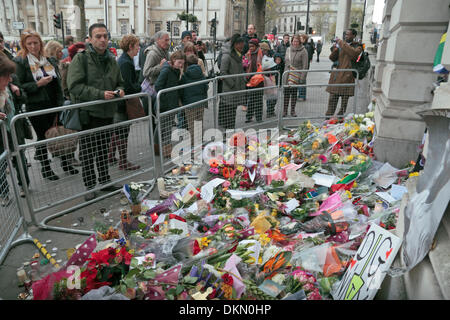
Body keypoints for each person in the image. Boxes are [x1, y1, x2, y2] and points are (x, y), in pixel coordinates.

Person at [67, 23, 125, 201]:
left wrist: (120, 90)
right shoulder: (81, 59)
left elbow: (119, 81)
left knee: (103, 150)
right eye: (98, 36)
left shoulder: (111, 58)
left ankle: (105, 181)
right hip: (88, 114)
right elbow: (74, 86)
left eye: (105, 36)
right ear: (90, 39)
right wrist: (100, 94)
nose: (102, 40)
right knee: (87, 152)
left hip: (107, 113)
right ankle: (89, 186)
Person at [14, 29, 67, 181]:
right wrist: (37, 84)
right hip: (35, 105)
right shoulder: (21, 62)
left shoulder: (48, 60)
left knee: (59, 133)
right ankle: (46, 168)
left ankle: (65, 163)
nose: (33, 46)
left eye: (35, 43)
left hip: (53, 103)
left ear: (40, 43)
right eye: (29, 43)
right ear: (24, 45)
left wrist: (60, 103)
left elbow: (57, 83)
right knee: (43, 137)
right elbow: (20, 85)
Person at [44, 40, 80, 173]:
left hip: (60, 103)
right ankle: (47, 166)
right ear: (53, 51)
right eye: (59, 51)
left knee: (63, 132)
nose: (61, 53)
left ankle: (65, 162)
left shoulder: (58, 64)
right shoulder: (49, 64)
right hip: (53, 104)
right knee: (53, 133)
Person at [108, 34, 142, 171]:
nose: (138, 49)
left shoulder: (124, 60)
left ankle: (110, 156)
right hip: (122, 103)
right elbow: (127, 85)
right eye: (137, 46)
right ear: (130, 47)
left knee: (117, 131)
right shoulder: (126, 62)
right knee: (122, 131)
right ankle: (123, 161)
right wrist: (139, 85)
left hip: (120, 102)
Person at [0, 53, 30, 203]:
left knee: (20, 156)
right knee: (1, 162)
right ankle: (3, 193)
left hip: (14, 127)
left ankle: (24, 184)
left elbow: (22, 98)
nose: (10, 79)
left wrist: (18, 93)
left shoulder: (8, 86)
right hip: (1, 133)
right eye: (6, 76)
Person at [142, 31, 170, 155]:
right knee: (154, 120)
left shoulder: (165, 52)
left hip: (161, 89)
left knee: (161, 119)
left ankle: (160, 146)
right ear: (158, 40)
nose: (168, 42)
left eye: (168, 40)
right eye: (166, 40)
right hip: (153, 91)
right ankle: (155, 148)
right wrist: (161, 66)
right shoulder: (153, 53)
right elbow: (146, 72)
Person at [154, 51, 186, 159]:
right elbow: (158, 86)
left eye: (182, 63)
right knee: (165, 127)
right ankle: (165, 149)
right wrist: (165, 98)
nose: (181, 65)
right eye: (179, 62)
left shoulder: (175, 70)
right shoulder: (167, 70)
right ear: (173, 61)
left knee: (163, 127)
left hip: (171, 103)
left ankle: (161, 148)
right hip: (165, 104)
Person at [326, 29, 363, 117]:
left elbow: (354, 55)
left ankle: (339, 119)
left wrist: (342, 43)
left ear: (354, 36)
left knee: (344, 102)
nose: (346, 36)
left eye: (348, 34)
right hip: (336, 77)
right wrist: (335, 49)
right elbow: (332, 58)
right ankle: (327, 119)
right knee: (332, 100)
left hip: (347, 77)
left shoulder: (358, 46)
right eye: (345, 34)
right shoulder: (340, 45)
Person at [218, 34, 246, 129]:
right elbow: (223, 72)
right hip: (229, 90)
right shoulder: (227, 56)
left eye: (243, 43)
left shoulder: (239, 55)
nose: (242, 46)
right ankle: (227, 135)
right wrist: (233, 84)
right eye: (240, 44)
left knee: (232, 112)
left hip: (236, 89)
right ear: (235, 44)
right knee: (228, 114)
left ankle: (230, 134)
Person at [179, 54, 208, 145]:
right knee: (199, 123)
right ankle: (199, 141)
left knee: (191, 125)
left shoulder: (185, 75)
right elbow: (205, 87)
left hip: (189, 104)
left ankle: (193, 144)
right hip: (200, 102)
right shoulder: (201, 74)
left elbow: (181, 90)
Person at [283, 34, 308, 117]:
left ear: (299, 42)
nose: (295, 43)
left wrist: (302, 78)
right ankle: (285, 110)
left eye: (297, 41)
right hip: (287, 74)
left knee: (294, 93)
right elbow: (286, 62)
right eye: (294, 41)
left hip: (296, 75)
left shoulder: (303, 51)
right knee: (286, 93)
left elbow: (305, 65)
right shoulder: (288, 49)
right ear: (292, 41)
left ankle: (292, 110)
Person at [244, 38, 264, 123]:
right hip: (251, 79)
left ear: (256, 46)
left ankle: (259, 117)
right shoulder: (248, 54)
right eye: (250, 46)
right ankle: (249, 117)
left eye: (252, 46)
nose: (251, 48)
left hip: (259, 79)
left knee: (259, 100)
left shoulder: (261, 53)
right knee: (251, 99)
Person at [298, 34, 313, 101]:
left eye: (301, 38)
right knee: (300, 80)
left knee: (302, 80)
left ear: (304, 39)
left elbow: (307, 58)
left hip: (304, 66)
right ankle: (301, 95)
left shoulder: (307, 47)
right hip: (301, 66)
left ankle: (302, 95)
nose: (300, 39)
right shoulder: (303, 46)